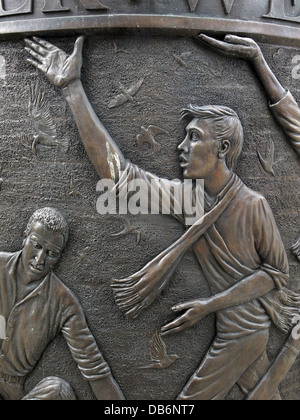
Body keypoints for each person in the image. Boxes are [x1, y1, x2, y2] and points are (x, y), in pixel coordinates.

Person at [25, 35, 300, 400]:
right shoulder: (188, 199)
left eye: (193, 137)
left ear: (222, 148)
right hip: (234, 328)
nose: (181, 147)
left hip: (243, 332)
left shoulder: (253, 206)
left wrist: (208, 306)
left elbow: (276, 274)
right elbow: (119, 176)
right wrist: (73, 88)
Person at [0, 207, 124, 400]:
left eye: (51, 253)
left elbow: (95, 369)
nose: (40, 259)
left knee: (58, 391)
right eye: (36, 246)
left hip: (12, 392)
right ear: (25, 237)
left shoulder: (63, 302)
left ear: (59, 257)